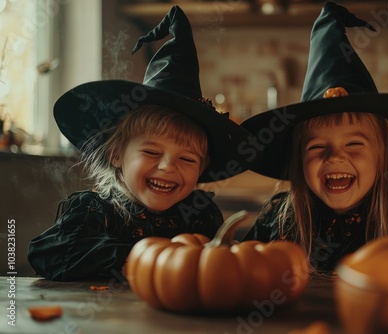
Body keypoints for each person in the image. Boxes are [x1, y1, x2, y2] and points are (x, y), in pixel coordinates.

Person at [28, 6, 256, 281]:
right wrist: (141, 258)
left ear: (203, 167)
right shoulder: (95, 211)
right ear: (116, 154)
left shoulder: (200, 214)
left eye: (187, 159)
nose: (168, 167)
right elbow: (46, 254)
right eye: (151, 152)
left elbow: (213, 271)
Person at [241, 2, 388, 273]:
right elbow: (240, 276)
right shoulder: (279, 222)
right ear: (298, 159)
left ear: (385, 153)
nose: (336, 157)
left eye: (354, 144)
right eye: (317, 146)